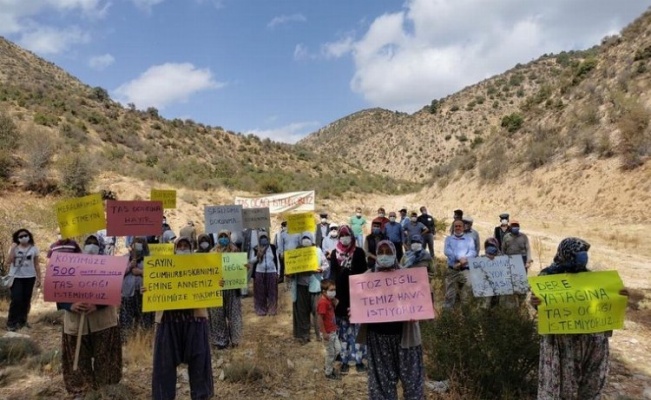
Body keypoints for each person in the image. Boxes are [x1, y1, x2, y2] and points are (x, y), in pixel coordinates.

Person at [531, 237, 629, 400]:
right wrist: (535, 302)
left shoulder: (592, 279)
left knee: (589, 384)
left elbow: (604, 303)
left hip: (588, 342)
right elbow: (540, 305)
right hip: (562, 343)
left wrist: (619, 297)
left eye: (584, 253)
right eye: (579, 253)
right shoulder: (548, 276)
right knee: (563, 385)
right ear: (566, 253)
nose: (583, 256)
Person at [358, 240, 424, 399]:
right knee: (381, 384)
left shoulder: (408, 278)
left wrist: (416, 312)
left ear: (395, 254)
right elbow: (361, 305)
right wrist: (355, 311)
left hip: (405, 339)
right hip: (378, 340)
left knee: (413, 381)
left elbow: (419, 303)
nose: (385, 256)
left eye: (389, 252)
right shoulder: (366, 279)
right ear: (376, 255)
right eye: (381, 252)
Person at [59, 235, 122, 398]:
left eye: (95, 243)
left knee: (106, 360)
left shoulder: (109, 265)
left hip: (103, 323)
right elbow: (58, 291)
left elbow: (114, 291)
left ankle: (106, 391)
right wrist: (70, 305)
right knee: (78, 360)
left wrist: (97, 305)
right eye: (88, 243)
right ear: (82, 245)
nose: (92, 246)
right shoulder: (68, 266)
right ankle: (82, 391)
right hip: (75, 323)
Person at [152, 237, 214, 400]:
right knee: (164, 365)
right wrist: (147, 288)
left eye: (186, 246)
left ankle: (201, 395)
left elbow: (211, 283)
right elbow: (154, 286)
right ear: (174, 249)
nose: (183, 248)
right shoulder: (163, 267)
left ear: (192, 248)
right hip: (169, 321)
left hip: (195, 320)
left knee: (199, 363)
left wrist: (217, 283)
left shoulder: (201, 265)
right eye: (180, 246)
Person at [329, 225, 368, 374]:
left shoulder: (359, 252)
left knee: (357, 330)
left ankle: (358, 361)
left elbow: (364, 274)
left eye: (347, 235)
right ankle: (344, 360)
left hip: (357, 296)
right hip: (340, 298)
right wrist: (331, 295)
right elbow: (332, 274)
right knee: (343, 332)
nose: (345, 238)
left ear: (352, 236)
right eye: (342, 235)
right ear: (339, 237)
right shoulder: (334, 254)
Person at [288, 232, 329, 344]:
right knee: (302, 312)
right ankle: (304, 335)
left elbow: (326, 264)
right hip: (300, 286)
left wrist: (320, 269)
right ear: (301, 240)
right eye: (304, 238)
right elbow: (290, 268)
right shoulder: (296, 252)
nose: (306, 240)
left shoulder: (317, 251)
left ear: (312, 240)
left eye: (308, 238)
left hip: (314, 285)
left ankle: (319, 334)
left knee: (317, 310)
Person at [210, 230, 244, 349]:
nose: (223, 238)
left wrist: (245, 267)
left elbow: (241, 267)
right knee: (217, 315)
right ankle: (221, 341)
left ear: (229, 237)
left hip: (232, 288)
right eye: (221, 236)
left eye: (225, 236)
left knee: (234, 314)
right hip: (217, 288)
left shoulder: (235, 251)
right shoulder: (212, 252)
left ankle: (235, 340)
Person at [5, 229, 41, 331]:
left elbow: (37, 264)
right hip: (16, 277)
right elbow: (8, 261)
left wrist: (39, 278)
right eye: (20, 237)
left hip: (30, 277)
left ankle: (22, 321)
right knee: (16, 299)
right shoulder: (14, 248)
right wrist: (12, 249)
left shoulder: (34, 249)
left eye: (25, 235)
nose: (23, 238)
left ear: (29, 236)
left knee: (26, 300)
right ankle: (11, 322)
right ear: (17, 238)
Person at [120, 236, 153, 341]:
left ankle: (143, 343)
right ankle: (127, 343)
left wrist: (141, 272)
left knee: (144, 322)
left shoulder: (150, 260)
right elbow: (117, 274)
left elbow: (156, 275)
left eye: (140, 244)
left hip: (144, 294)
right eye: (136, 244)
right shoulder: (124, 258)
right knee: (127, 322)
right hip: (127, 295)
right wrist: (129, 266)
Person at [443, 219, 477, 309]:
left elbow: (473, 252)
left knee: (467, 290)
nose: (458, 228)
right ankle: (447, 317)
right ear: (453, 228)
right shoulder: (449, 239)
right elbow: (447, 251)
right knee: (450, 294)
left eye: (459, 226)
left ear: (463, 227)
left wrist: (465, 259)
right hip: (452, 269)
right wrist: (459, 258)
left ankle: (464, 315)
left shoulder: (469, 239)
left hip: (465, 269)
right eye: (456, 226)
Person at [249, 232, 279, 316]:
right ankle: (261, 310)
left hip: (271, 272)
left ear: (268, 238)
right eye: (262, 237)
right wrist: (258, 256)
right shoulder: (255, 249)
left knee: (272, 292)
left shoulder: (272, 247)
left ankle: (272, 309)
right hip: (259, 272)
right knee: (260, 293)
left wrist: (278, 272)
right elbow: (251, 261)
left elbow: (277, 260)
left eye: (265, 237)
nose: (263, 239)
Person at [316, 279, 341, 380]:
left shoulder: (329, 300)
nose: (333, 292)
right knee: (330, 353)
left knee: (338, 349)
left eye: (334, 289)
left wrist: (335, 303)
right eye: (331, 290)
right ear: (324, 291)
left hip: (333, 331)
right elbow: (320, 318)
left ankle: (328, 366)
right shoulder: (322, 302)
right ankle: (328, 373)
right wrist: (324, 332)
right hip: (328, 332)